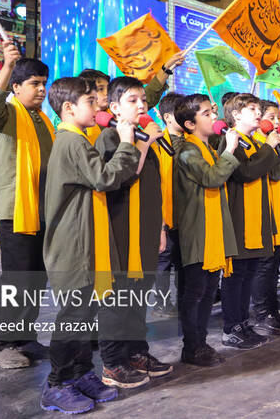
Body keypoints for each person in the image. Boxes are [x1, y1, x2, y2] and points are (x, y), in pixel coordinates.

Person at [41, 76, 140, 414]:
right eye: (90, 100)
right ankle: (57, 384)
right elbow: (105, 177)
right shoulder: (72, 142)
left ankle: (80, 374)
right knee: (72, 317)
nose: (98, 105)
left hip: (83, 242)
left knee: (83, 315)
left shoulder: (76, 139)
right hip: (73, 246)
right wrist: (127, 144)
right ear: (68, 109)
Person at [95, 76, 173, 388]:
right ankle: (113, 363)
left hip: (146, 229)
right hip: (120, 232)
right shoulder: (110, 138)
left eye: (143, 99)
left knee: (138, 297)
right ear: (114, 107)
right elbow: (122, 178)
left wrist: (160, 228)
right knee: (118, 299)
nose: (141, 105)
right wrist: (143, 143)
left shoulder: (143, 137)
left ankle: (137, 353)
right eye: (132, 100)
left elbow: (153, 187)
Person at [0, 40, 53, 368]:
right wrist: (6, 66)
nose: (41, 90)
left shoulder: (43, 120)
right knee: (18, 278)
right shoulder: (7, 114)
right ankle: (2, 345)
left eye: (43, 84)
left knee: (35, 277)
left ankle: (25, 338)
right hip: (13, 211)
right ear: (16, 87)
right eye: (34, 84)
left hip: (39, 211)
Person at [174, 93, 239, 366]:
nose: (214, 117)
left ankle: (201, 343)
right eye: (207, 113)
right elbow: (212, 178)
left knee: (208, 290)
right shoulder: (188, 150)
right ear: (190, 124)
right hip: (197, 232)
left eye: (213, 112)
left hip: (212, 231)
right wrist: (229, 152)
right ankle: (192, 346)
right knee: (196, 292)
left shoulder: (208, 149)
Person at [218, 94, 280, 348]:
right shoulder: (232, 139)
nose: (258, 113)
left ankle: (243, 323)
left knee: (248, 274)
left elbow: (273, 171)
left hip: (256, 218)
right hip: (239, 217)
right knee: (235, 276)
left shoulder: (254, 142)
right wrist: (268, 147)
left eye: (259, 109)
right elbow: (245, 173)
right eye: (252, 109)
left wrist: (271, 147)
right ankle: (230, 328)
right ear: (236, 115)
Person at [251, 100, 280, 335]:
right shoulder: (261, 143)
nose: (277, 123)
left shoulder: (273, 143)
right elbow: (277, 173)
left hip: (278, 212)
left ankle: (272, 308)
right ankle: (262, 313)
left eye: (278, 118)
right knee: (265, 265)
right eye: (272, 117)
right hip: (265, 213)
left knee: (273, 265)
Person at [152, 92, 187, 318]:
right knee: (163, 264)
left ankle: (184, 302)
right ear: (167, 117)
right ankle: (161, 303)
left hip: (186, 215)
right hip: (165, 213)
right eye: (180, 113)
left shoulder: (193, 141)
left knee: (184, 263)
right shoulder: (157, 142)